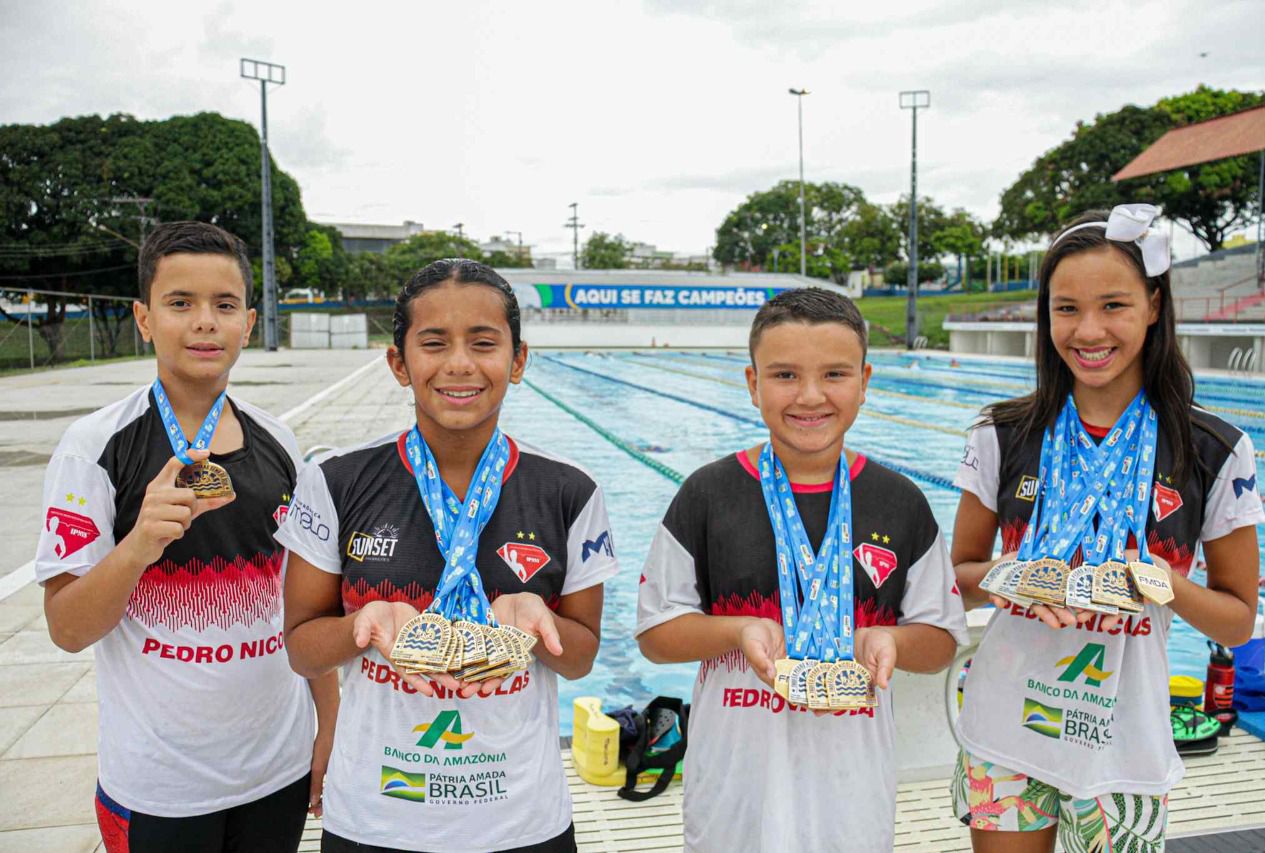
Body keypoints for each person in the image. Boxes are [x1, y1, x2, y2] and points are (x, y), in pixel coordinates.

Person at [950, 205, 1264, 852]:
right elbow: (956, 579)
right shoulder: (1001, 435)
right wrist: (1013, 575)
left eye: (1113, 305)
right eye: (1066, 308)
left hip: (1122, 741)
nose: (1088, 330)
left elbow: (1236, 619)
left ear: (1153, 304)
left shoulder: (1212, 450)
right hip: (1007, 723)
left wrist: (1162, 582)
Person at [278, 259, 618, 853]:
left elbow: (582, 657)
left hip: (521, 819)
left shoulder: (569, 490)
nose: (459, 364)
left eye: (483, 344)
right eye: (434, 343)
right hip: (377, 818)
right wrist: (363, 624)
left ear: (517, 361)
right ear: (398, 363)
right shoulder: (336, 480)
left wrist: (541, 627)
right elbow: (302, 648)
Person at [35, 221, 338, 853]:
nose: (205, 322)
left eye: (224, 305)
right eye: (180, 304)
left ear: (248, 324)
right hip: (160, 788)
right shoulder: (94, 449)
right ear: (144, 318)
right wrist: (141, 544)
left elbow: (303, 606)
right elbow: (67, 627)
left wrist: (327, 725)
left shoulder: (279, 443)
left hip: (275, 770)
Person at [635, 287, 968, 852]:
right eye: (785, 375)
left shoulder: (900, 501)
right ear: (752, 383)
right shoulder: (708, 495)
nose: (810, 396)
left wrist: (888, 639)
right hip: (734, 791)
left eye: (834, 375)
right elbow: (655, 635)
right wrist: (736, 631)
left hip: (851, 791)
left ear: (865, 381)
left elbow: (940, 640)